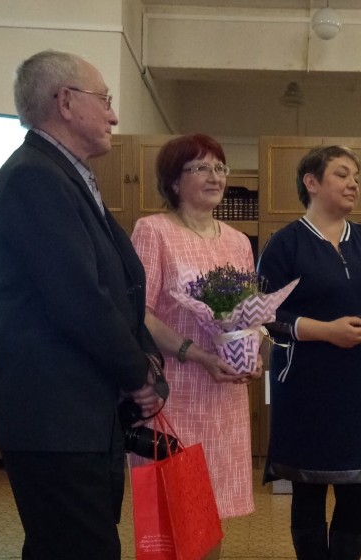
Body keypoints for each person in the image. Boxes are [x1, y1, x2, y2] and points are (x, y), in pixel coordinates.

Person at [0, 50, 165, 560]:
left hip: (80, 417)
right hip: (55, 417)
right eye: (104, 100)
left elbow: (120, 286)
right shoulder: (34, 177)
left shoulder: (63, 173)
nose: (113, 115)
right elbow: (79, 299)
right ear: (65, 101)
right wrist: (138, 375)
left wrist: (146, 359)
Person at [257, 145, 361, 560]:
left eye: (356, 176)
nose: (354, 183)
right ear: (312, 182)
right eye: (342, 174)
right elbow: (263, 312)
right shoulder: (285, 243)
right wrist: (325, 331)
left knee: (358, 492)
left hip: (359, 386)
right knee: (308, 490)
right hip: (305, 386)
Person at [130, 133, 260, 557]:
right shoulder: (153, 231)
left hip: (224, 398)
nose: (214, 176)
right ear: (173, 180)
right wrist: (197, 353)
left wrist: (252, 352)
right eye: (201, 167)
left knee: (210, 519)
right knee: (177, 519)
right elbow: (140, 313)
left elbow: (248, 314)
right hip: (175, 396)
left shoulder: (238, 241)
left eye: (220, 167)